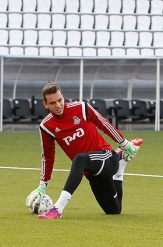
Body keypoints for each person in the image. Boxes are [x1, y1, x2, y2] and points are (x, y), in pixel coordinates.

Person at [25, 83, 141, 219]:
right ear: (45, 105)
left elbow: (104, 124)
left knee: (80, 159)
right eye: (52, 103)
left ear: (63, 97)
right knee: (114, 210)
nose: (58, 105)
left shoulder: (82, 108)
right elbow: (48, 156)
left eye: (59, 100)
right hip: (92, 172)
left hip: (107, 157)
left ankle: (57, 209)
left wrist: (124, 143)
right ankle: (121, 166)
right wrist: (42, 185)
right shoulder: (46, 126)